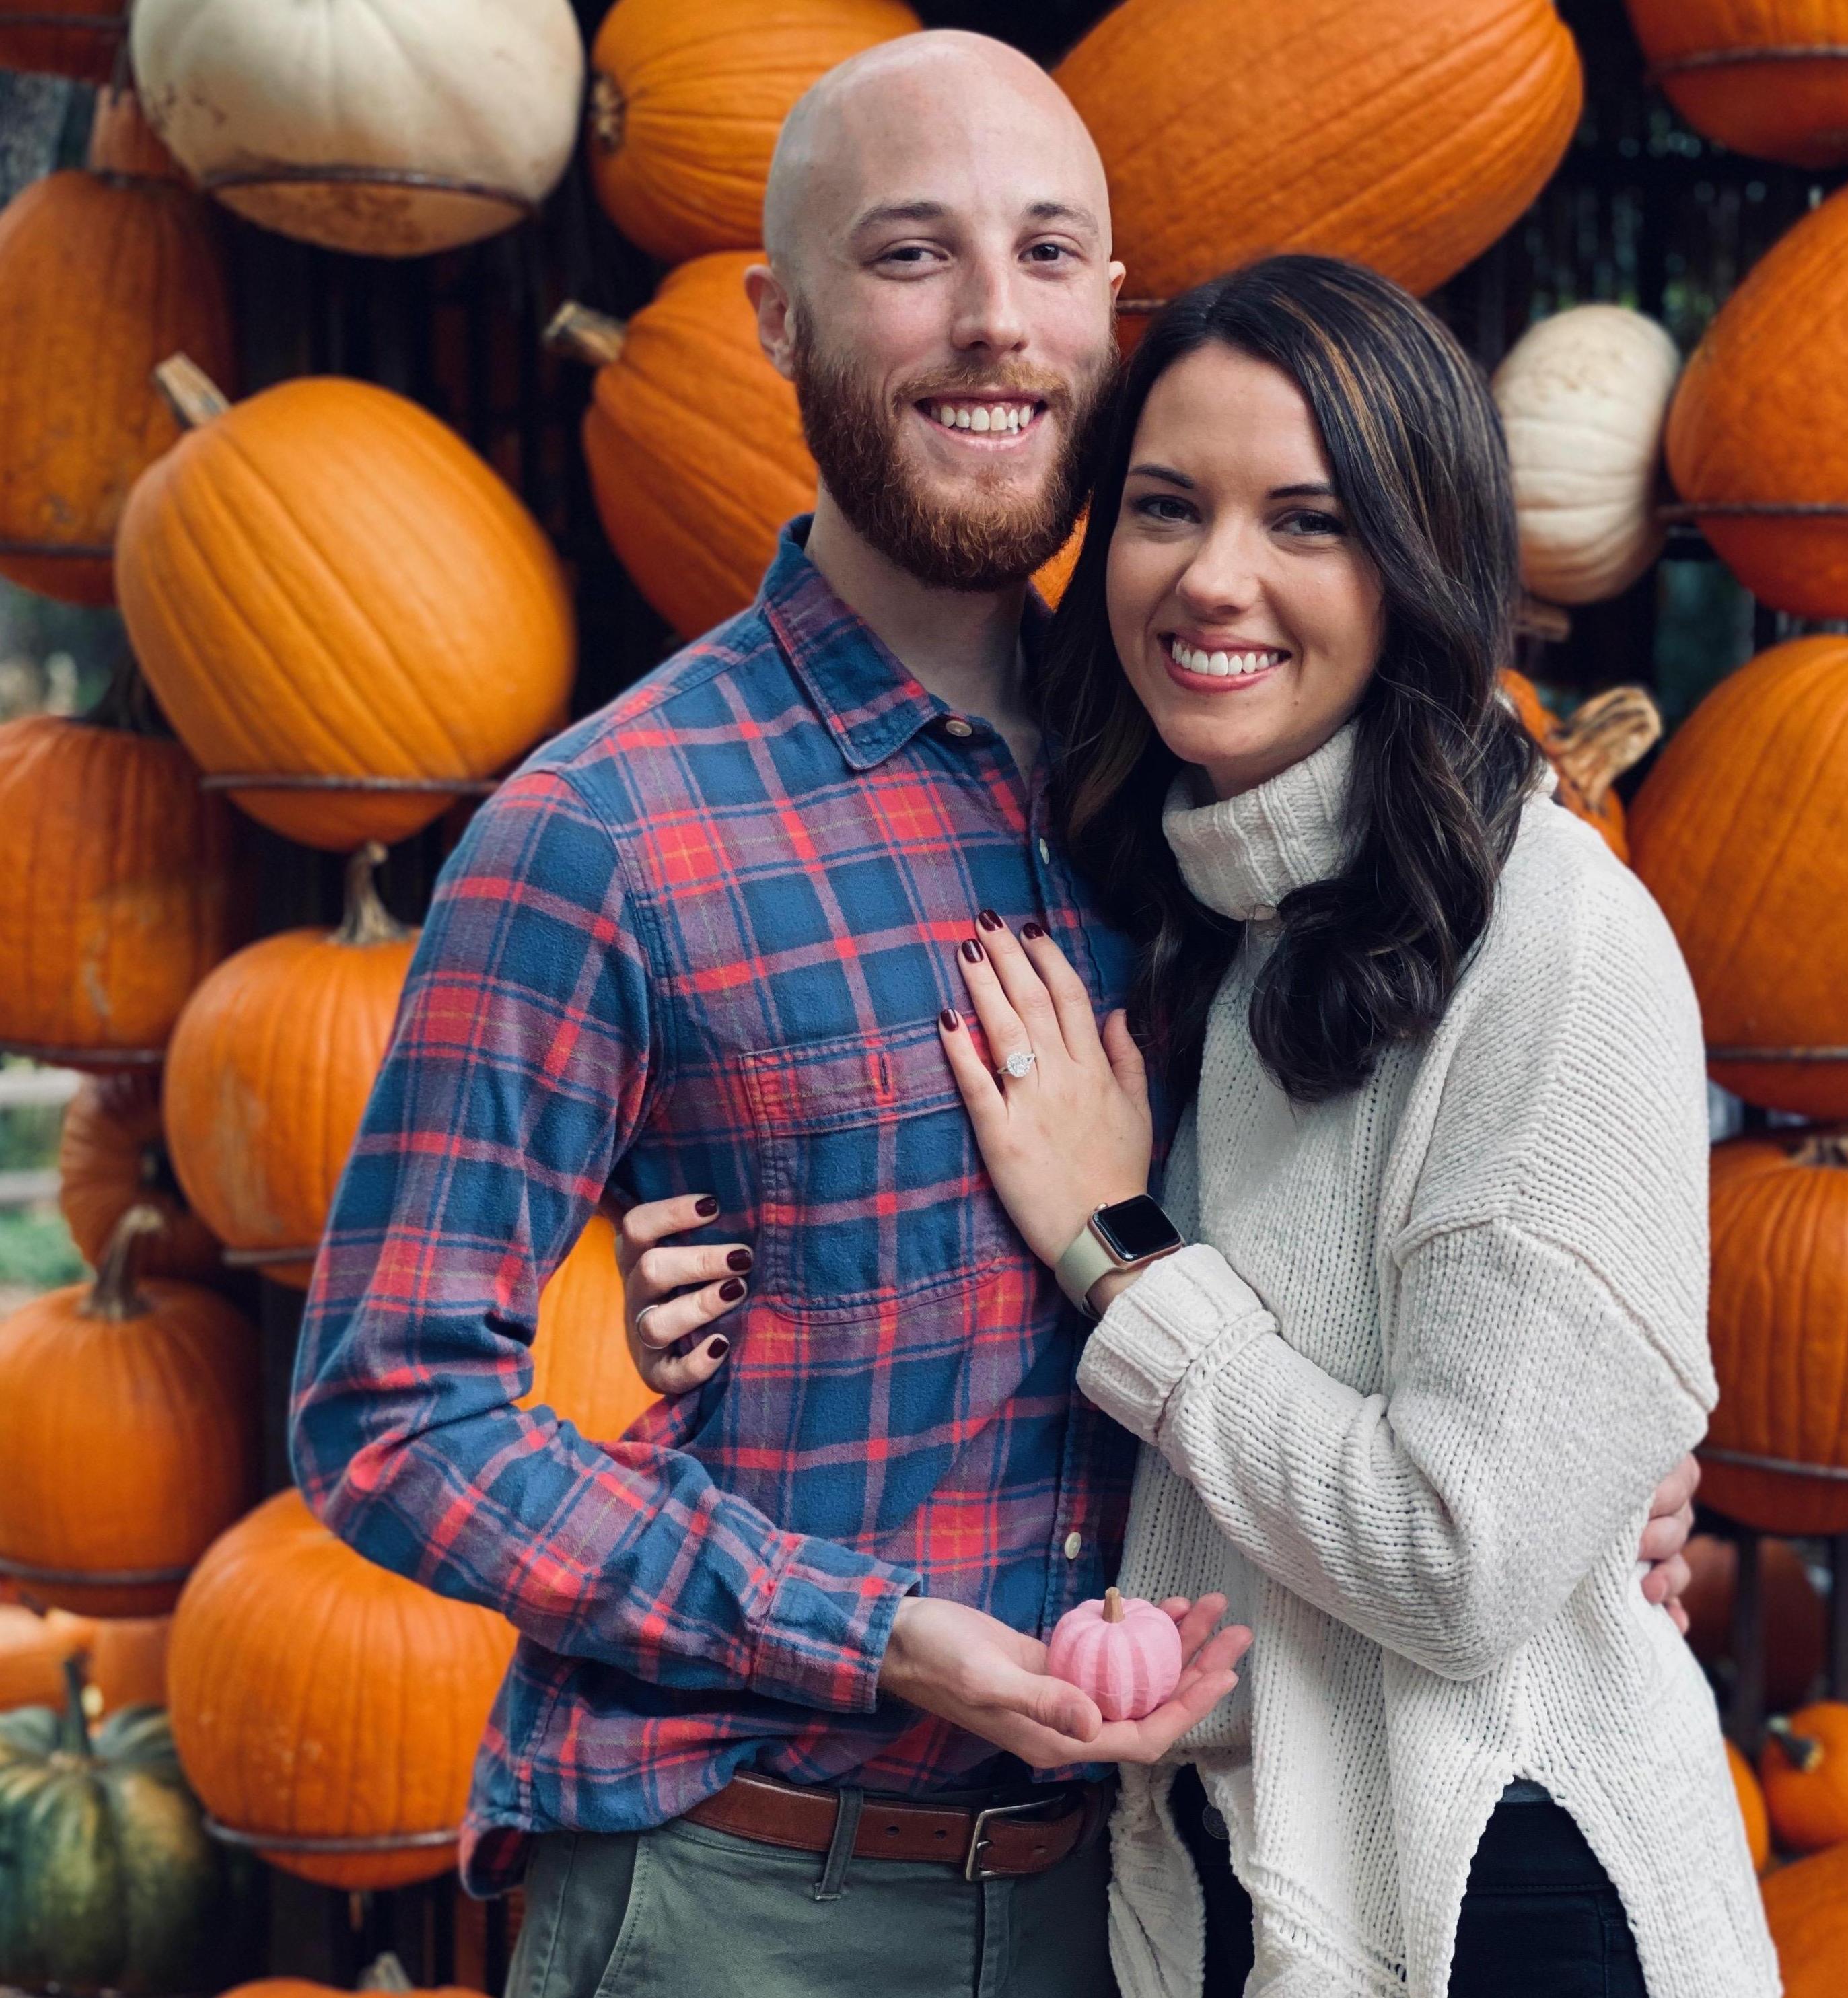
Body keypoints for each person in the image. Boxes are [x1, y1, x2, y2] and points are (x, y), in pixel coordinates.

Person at [291, 30, 1700, 1997]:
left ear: (1105, 312)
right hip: (751, 1889)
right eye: (907, 257)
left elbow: (1386, 1232)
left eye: (1048, 254)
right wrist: (864, 1626)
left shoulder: (1186, 794)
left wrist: (1588, 1456)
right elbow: (387, 1412)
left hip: (1148, 1888)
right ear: (775, 318)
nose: (991, 322)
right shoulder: (601, 830)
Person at [639, 258, 1770, 1997]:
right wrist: (675, 1276)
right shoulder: (1194, 902)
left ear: (1418, 565)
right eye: (1164, 509)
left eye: (1304, 520)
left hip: (1496, 1892)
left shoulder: (1549, 941)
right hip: (1227, 1865)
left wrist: (1119, 1248)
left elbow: (1456, 1559)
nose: (1210, 578)